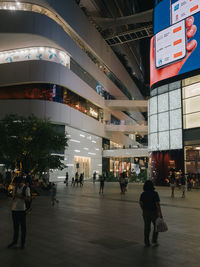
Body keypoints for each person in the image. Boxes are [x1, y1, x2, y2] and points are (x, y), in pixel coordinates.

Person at [8, 176, 31, 249]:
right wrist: (13, 197)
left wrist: (18, 196)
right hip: (14, 210)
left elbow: (28, 199)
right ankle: (14, 242)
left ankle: (22, 243)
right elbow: (13, 197)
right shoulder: (15, 188)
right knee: (15, 227)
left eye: (17, 183)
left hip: (22, 210)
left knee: (23, 228)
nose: (16, 184)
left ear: (21, 182)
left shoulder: (26, 188)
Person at [139, 180, 163, 247]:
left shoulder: (143, 194)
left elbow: (140, 203)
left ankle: (146, 242)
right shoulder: (155, 193)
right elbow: (157, 204)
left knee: (147, 227)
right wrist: (160, 213)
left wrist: (143, 209)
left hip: (145, 212)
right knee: (156, 226)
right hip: (154, 212)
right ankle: (154, 241)